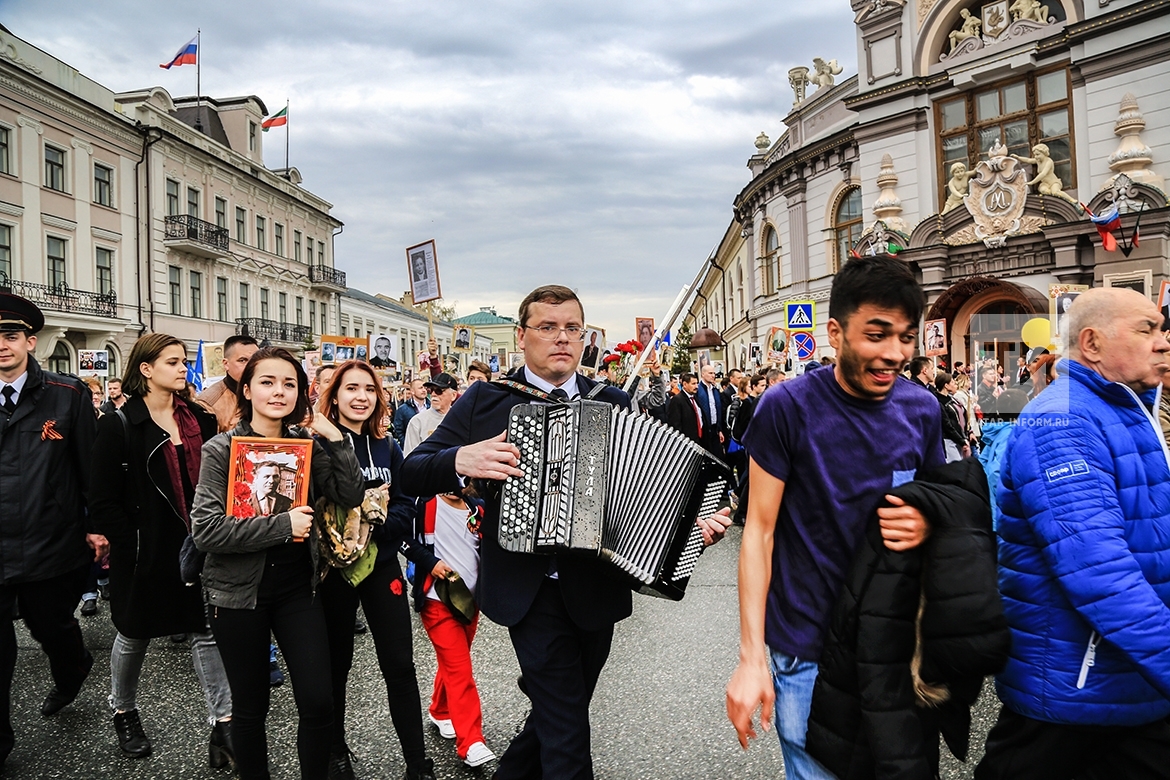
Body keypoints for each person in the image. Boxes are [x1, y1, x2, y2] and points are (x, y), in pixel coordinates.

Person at [402, 285, 729, 780]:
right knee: (568, 736)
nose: (561, 338)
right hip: (527, 590)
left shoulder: (611, 400)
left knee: (559, 715)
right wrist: (460, 459)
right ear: (521, 336)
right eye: (547, 327)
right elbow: (412, 471)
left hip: (596, 586)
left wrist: (689, 528)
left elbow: (648, 486)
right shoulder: (488, 399)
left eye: (572, 329)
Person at [726, 256, 944, 779]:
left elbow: (944, 502)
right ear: (835, 332)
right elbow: (759, 532)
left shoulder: (923, 409)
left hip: (894, 646)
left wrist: (928, 523)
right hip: (807, 652)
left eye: (906, 337)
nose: (894, 353)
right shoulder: (786, 406)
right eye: (877, 334)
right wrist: (752, 657)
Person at [976, 288, 1170, 779]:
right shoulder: (1063, 421)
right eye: (1147, 329)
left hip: (1130, 680)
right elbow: (1098, 569)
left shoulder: (1130, 408)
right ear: (1092, 343)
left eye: (1162, 328)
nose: (1164, 341)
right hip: (1076, 689)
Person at [191, 346, 365, 780]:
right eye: (267, 382)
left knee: (318, 700)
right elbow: (207, 531)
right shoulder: (221, 449)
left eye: (289, 383)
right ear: (247, 390)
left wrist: (338, 439)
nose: (279, 391)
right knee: (250, 708)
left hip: (296, 590)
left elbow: (349, 495)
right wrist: (282, 526)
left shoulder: (304, 444)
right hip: (236, 594)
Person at [88, 333, 232, 763]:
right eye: (172, 362)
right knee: (134, 633)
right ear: (146, 370)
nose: (181, 368)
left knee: (204, 630)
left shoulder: (199, 421)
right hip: (145, 547)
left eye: (183, 361)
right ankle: (124, 710)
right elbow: (102, 499)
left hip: (196, 541)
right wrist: (133, 541)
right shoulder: (118, 424)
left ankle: (223, 725)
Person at [0, 293, 108, 768]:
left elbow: (91, 469)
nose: (1, 346)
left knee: (53, 628)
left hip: (49, 542)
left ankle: (73, 668)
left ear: (29, 341)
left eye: (9, 336)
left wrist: (98, 527)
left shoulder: (67, 395)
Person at [315, 360, 436, 780]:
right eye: (351, 388)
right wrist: (368, 507)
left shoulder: (388, 446)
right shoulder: (319, 444)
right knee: (336, 665)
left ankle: (417, 762)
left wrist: (379, 521)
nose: (361, 397)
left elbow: (406, 504)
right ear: (335, 395)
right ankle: (335, 753)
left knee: (400, 666)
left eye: (369, 389)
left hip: (382, 566)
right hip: (335, 573)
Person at [409, 488, 495, 768]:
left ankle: (440, 708)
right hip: (437, 602)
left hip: (469, 603)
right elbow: (401, 536)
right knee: (460, 670)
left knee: (454, 662)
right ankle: (471, 741)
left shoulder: (477, 508)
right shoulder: (424, 504)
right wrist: (430, 563)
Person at [197, 335, 259, 433]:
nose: (250, 366)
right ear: (226, 364)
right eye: (242, 360)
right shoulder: (208, 404)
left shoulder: (269, 393)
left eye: (255, 360)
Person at [405, 373, 459, 456]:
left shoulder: (461, 420)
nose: (433, 394)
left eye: (439, 391)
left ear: (453, 395)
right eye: (431, 390)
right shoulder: (417, 422)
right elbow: (409, 460)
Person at [666, 372, 703, 445]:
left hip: (700, 439)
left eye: (697, 383)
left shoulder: (695, 398)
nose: (696, 386)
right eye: (693, 384)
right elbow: (675, 423)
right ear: (685, 384)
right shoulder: (677, 400)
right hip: (687, 441)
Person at [696, 363, 725, 457]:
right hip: (704, 430)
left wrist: (719, 429)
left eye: (714, 373)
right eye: (710, 373)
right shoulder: (698, 390)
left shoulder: (715, 390)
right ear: (703, 374)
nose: (713, 375)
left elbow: (718, 410)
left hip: (715, 428)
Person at [393, 379, 429, 448]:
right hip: (411, 449)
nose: (424, 390)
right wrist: (407, 445)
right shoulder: (402, 409)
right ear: (412, 391)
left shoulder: (431, 407)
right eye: (420, 388)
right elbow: (398, 430)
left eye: (425, 388)